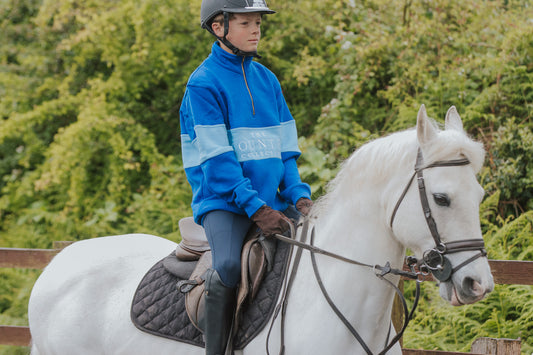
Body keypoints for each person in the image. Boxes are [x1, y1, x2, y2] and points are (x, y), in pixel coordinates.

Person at [179, 0, 313, 353]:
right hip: (225, 203)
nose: (255, 30)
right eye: (245, 23)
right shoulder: (203, 83)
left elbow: (285, 151)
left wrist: (298, 194)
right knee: (225, 267)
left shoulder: (267, 79)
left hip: (272, 200)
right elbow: (217, 161)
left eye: (258, 23)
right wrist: (255, 208)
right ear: (218, 27)